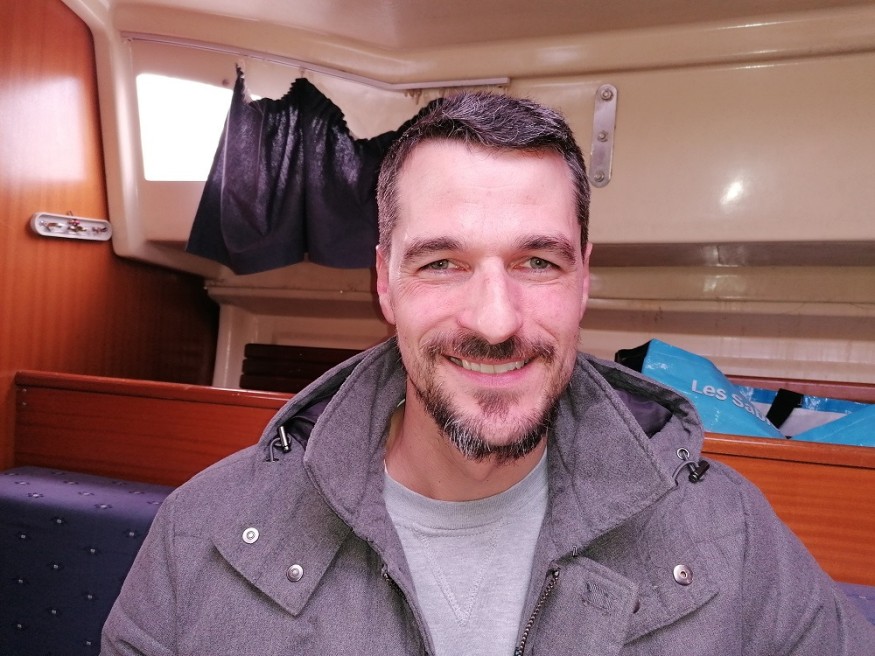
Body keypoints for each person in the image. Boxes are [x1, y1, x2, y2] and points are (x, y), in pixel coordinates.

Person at [101, 91, 874, 655]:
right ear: (383, 283)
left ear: (581, 281)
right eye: (442, 263)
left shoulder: (729, 537)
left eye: (537, 262)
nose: (495, 322)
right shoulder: (201, 537)